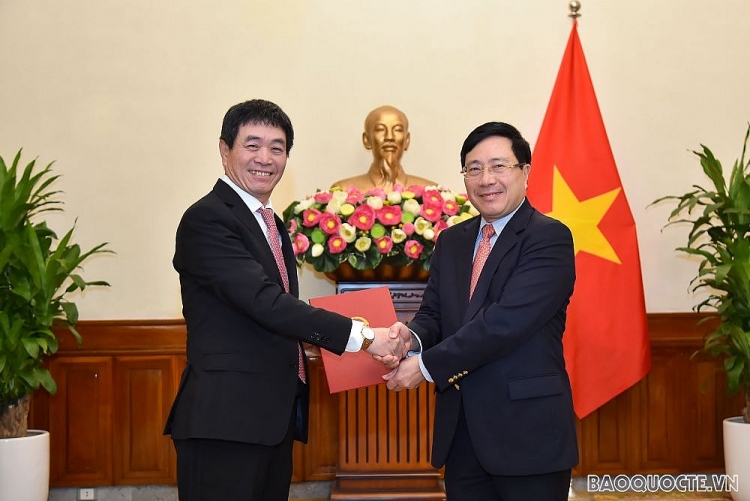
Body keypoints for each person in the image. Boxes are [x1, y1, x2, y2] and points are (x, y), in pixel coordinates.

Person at [164, 99, 409, 501]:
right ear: (225, 150)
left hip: (270, 421)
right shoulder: (207, 219)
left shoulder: (270, 223)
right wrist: (365, 337)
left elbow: (272, 315)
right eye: (252, 145)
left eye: (276, 148)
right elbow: (265, 302)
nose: (265, 158)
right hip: (225, 423)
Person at [381, 122, 579, 501]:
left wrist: (425, 366)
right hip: (463, 434)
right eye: (474, 168)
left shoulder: (548, 237)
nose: (486, 179)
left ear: (525, 172)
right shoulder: (452, 241)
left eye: (498, 166)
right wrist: (411, 337)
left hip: (528, 434)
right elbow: (434, 313)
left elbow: (504, 324)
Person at [330, 105, 437, 191]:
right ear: (367, 140)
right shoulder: (343, 191)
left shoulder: (431, 191)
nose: (389, 137)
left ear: (407, 140)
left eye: (397, 130)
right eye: (380, 129)